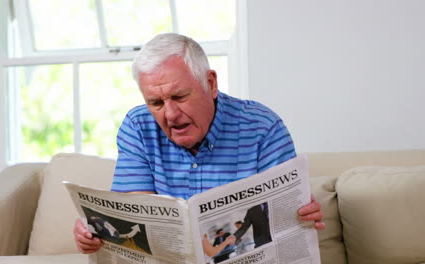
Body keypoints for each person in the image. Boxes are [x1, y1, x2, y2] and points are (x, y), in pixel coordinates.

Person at [73, 33, 325, 254]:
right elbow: (134, 215)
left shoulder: (263, 127)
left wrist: (298, 215)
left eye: (179, 96)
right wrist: (96, 232)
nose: (170, 114)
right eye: (156, 103)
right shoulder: (138, 126)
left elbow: (283, 219)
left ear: (211, 84)